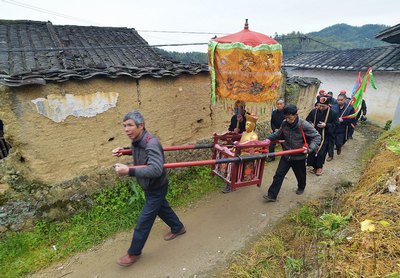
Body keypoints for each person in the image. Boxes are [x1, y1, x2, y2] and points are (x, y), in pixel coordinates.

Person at [112, 110, 185, 267]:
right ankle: (178, 227)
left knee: (144, 221)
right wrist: (123, 150)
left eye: (130, 125)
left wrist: (128, 171)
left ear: (141, 126)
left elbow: (156, 169)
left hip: (156, 187)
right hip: (150, 187)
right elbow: (138, 151)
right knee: (161, 208)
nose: (126, 129)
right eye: (124, 126)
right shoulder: (137, 140)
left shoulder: (151, 143)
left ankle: (133, 253)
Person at [263, 105, 321, 202]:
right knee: (278, 175)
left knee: (300, 175)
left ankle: (301, 187)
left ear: (296, 115)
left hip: (299, 156)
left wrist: (310, 149)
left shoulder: (304, 125)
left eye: (290, 117)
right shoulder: (284, 123)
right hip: (286, 154)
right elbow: (278, 134)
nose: (288, 120)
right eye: (286, 117)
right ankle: (272, 196)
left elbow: (317, 137)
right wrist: (268, 139)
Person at [221, 113, 259, 193]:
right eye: (246, 124)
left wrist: (240, 146)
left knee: (232, 162)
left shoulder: (254, 136)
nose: (246, 126)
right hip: (239, 151)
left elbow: (251, 146)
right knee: (227, 156)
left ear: (252, 125)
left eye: (248, 124)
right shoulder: (244, 133)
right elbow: (239, 139)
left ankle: (231, 183)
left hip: (246, 153)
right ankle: (226, 176)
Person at [306, 96, 338, 175]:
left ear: (328, 105)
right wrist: (310, 124)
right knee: (313, 151)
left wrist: (326, 125)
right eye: (319, 105)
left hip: (325, 136)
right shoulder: (314, 111)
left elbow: (336, 125)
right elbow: (307, 120)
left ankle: (319, 167)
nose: (321, 107)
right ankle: (314, 167)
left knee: (321, 153)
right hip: (314, 135)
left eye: (323, 106)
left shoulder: (333, 113)